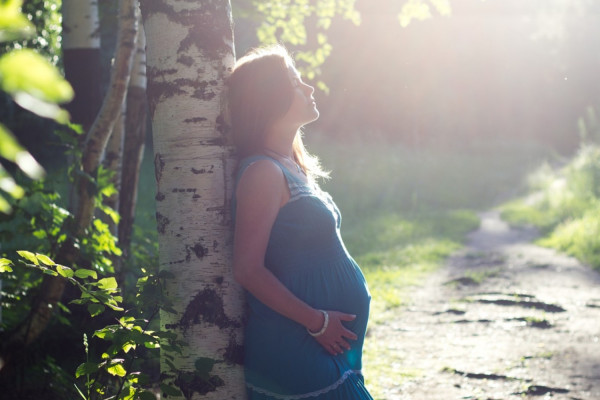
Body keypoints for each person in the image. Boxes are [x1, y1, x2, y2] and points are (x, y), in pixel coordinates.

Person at [226, 44, 373, 400]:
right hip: (297, 345)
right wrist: (316, 321)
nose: (308, 88)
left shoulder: (290, 167)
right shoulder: (263, 171)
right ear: (269, 98)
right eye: (295, 82)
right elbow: (247, 268)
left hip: (325, 349)